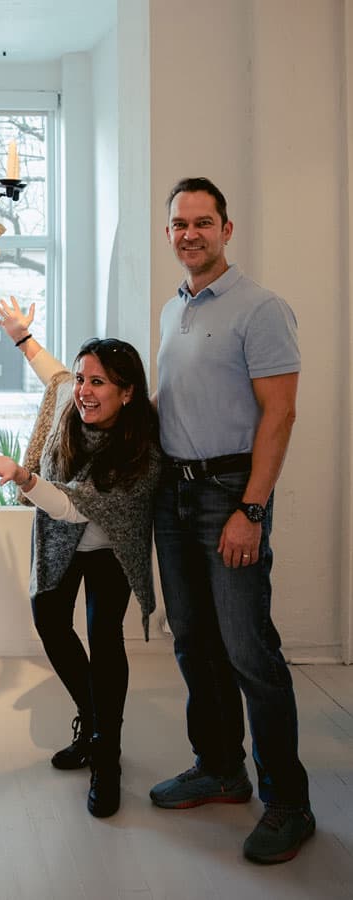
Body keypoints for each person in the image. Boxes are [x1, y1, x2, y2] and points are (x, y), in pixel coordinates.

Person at [150, 177, 313, 864]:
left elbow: (280, 414)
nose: (191, 233)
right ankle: (220, 768)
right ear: (170, 234)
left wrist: (251, 508)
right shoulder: (173, 309)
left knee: (250, 651)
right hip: (174, 496)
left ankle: (288, 802)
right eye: (180, 224)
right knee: (192, 642)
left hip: (228, 494)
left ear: (227, 229)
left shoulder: (261, 308)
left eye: (204, 222)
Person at [0, 297, 160, 817]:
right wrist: (23, 339)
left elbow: (74, 507)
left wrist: (22, 476)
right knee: (49, 617)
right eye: (82, 379)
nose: (84, 390)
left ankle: (108, 758)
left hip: (111, 548)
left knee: (103, 636)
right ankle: (93, 723)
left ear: (127, 391)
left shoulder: (142, 447)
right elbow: (54, 376)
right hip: (60, 544)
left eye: (98, 383)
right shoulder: (70, 406)